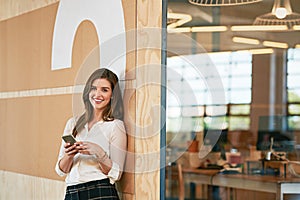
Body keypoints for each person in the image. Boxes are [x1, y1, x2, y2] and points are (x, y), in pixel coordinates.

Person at [55, 68, 127, 200]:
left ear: (112, 95)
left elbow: (117, 174)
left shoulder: (115, 126)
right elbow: (60, 170)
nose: (97, 94)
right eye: (93, 88)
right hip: (72, 192)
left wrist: (99, 153)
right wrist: (69, 155)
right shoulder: (73, 123)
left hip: (100, 191)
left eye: (104, 90)